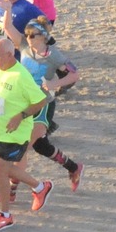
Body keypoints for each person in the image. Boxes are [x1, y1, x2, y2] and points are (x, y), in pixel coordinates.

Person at [0, 39, 55, 232]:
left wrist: (21, 116)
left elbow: (41, 100)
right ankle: (40, 188)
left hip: (16, 133)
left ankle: (5, 215)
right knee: (5, 169)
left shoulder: (21, 76)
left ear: (9, 55)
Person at [17, 23, 85, 190]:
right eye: (26, 34)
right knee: (41, 146)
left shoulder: (53, 55)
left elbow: (75, 74)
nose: (28, 38)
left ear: (43, 36)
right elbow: (8, 28)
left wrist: (56, 83)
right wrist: (7, 9)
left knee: (23, 146)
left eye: (32, 35)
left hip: (44, 104)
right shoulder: (25, 47)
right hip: (26, 102)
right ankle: (74, 168)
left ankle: (10, 192)